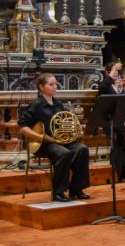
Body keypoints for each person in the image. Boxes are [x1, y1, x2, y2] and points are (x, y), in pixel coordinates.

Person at [18, 73, 90, 202]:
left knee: (82, 149)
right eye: (51, 84)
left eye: (56, 84)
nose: (55, 86)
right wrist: (38, 136)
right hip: (44, 144)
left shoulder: (58, 105)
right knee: (63, 153)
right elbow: (23, 127)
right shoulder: (36, 105)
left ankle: (76, 189)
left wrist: (76, 127)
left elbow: (65, 122)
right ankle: (58, 192)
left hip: (59, 141)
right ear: (41, 87)